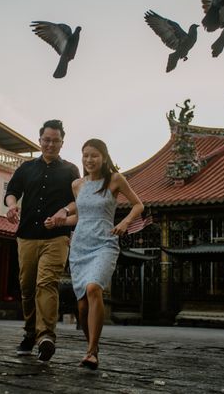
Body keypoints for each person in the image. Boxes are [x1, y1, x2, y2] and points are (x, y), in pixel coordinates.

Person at [48, 138, 143, 370]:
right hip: (80, 245)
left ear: (104, 157)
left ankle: (91, 352)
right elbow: (80, 217)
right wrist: (58, 221)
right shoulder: (77, 185)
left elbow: (138, 205)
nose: (89, 160)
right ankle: (92, 346)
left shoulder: (115, 179)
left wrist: (125, 223)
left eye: (94, 155)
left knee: (93, 288)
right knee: (81, 307)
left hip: (104, 243)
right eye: (85, 155)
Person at [5, 119, 80, 362]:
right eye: (46, 140)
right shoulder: (26, 168)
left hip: (56, 237)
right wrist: (13, 205)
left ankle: (46, 336)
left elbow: (78, 200)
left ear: (62, 142)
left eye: (55, 141)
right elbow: (11, 191)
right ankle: (30, 333)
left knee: (46, 283)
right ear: (40, 141)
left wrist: (64, 212)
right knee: (27, 288)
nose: (50, 144)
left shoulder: (70, 170)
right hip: (26, 236)